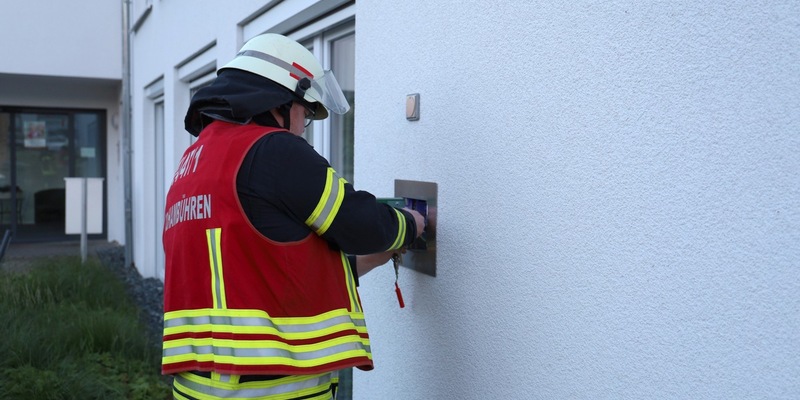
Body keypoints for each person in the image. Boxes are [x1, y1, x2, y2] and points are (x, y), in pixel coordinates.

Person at [161, 33, 425, 400]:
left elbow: (259, 268)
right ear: (280, 101)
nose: (303, 128)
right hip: (271, 389)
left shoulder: (194, 163)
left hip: (198, 387)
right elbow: (361, 224)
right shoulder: (274, 150)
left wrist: (362, 262)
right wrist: (412, 223)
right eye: (305, 113)